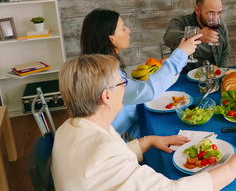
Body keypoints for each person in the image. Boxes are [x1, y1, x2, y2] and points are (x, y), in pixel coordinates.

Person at [52, 54, 236, 190]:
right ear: (106, 97)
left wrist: (146, 142)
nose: (126, 88)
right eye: (123, 82)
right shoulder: (101, 152)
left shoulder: (68, 128)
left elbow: (105, 166)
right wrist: (234, 168)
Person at [80, 9, 202, 139]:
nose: (129, 30)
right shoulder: (105, 73)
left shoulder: (97, 66)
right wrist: (180, 54)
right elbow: (146, 91)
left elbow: (133, 89)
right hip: (125, 140)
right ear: (111, 39)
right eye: (123, 28)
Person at [164, 0, 229, 72]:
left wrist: (220, 71)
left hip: (212, 76)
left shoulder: (221, 26)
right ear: (197, 10)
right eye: (211, 13)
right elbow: (168, 39)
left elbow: (225, 53)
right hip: (184, 78)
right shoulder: (180, 21)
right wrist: (197, 35)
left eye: (219, 13)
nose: (215, 19)